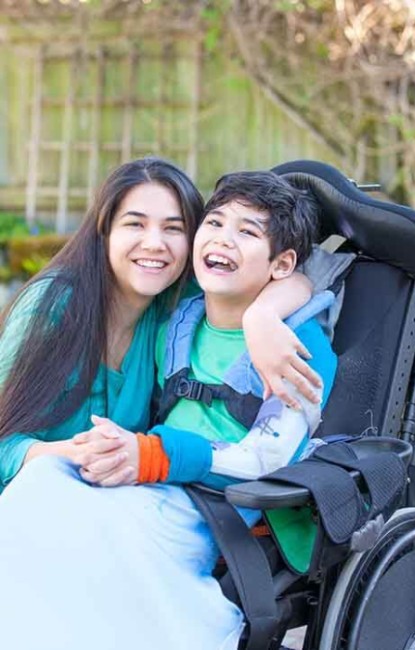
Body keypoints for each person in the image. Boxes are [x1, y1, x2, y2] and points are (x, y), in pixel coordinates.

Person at [0, 159, 324, 650]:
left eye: (174, 229)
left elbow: (296, 277)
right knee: (42, 488)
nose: (155, 244)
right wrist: (72, 454)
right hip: (77, 479)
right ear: (103, 230)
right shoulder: (67, 306)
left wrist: (265, 317)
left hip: (162, 490)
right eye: (135, 224)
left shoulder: (181, 307)